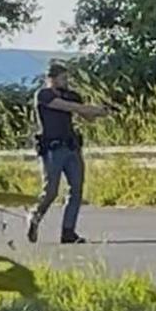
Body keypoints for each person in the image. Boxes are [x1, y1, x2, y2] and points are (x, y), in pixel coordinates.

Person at [27, 63, 112, 244]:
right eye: (63, 78)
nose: (66, 81)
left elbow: (86, 116)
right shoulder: (44, 95)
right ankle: (35, 215)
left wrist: (101, 112)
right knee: (50, 191)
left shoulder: (72, 96)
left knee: (76, 189)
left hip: (71, 147)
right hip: (52, 149)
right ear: (52, 79)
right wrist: (90, 109)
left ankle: (68, 231)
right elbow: (69, 107)